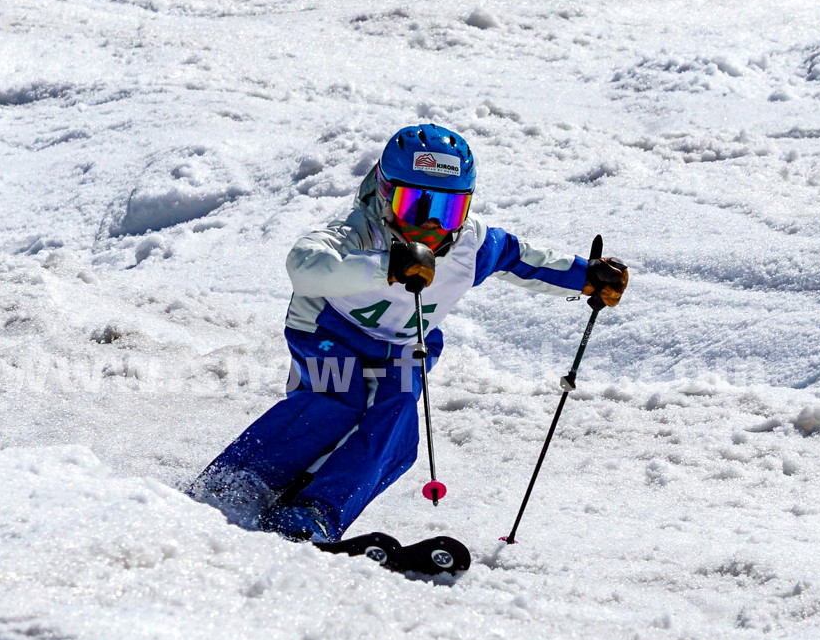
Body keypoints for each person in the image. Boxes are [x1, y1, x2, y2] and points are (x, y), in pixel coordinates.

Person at [189, 123, 629, 544]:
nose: (431, 226)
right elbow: (304, 267)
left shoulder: (473, 245)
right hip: (331, 331)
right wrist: (387, 267)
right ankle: (236, 485)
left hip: (405, 345)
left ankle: (314, 511)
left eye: (448, 209)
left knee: (396, 422)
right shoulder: (357, 232)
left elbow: (525, 259)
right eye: (415, 206)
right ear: (384, 195)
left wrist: (587, 277)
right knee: (334, 401)